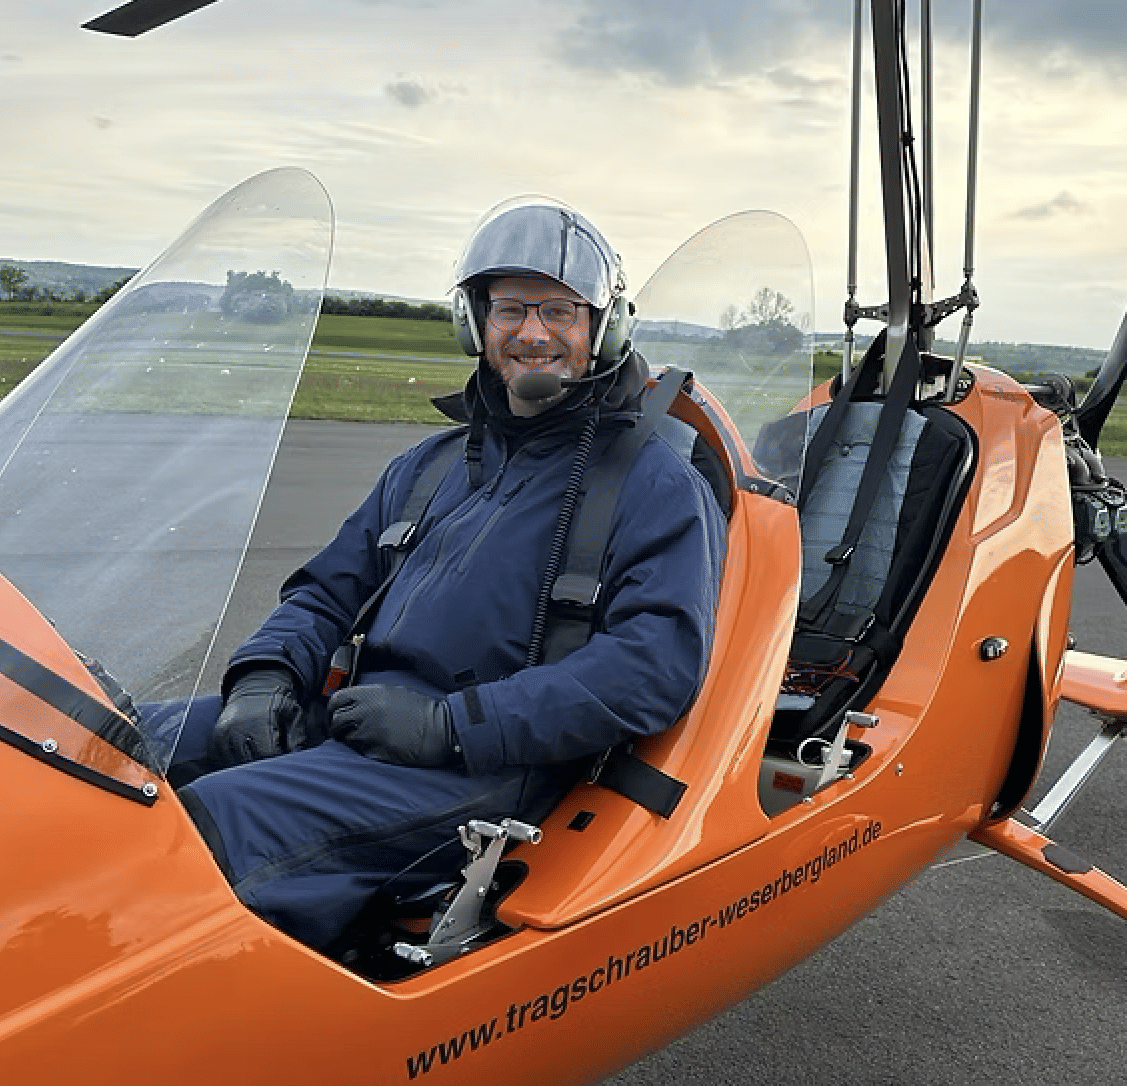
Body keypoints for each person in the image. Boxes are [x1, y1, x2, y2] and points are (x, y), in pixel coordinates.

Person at [171, 197, 727, 952]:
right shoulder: (430, 466)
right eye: (510, 309)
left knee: (213, 820)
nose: (533, 334)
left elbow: (652, 667)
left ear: (605, 326)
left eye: (560, 310)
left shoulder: (655, 485)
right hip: (360, 723)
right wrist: (265, 675)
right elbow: (324, 589)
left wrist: (452, 725)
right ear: (475, 323)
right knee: (111, 744)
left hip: (491, 769)